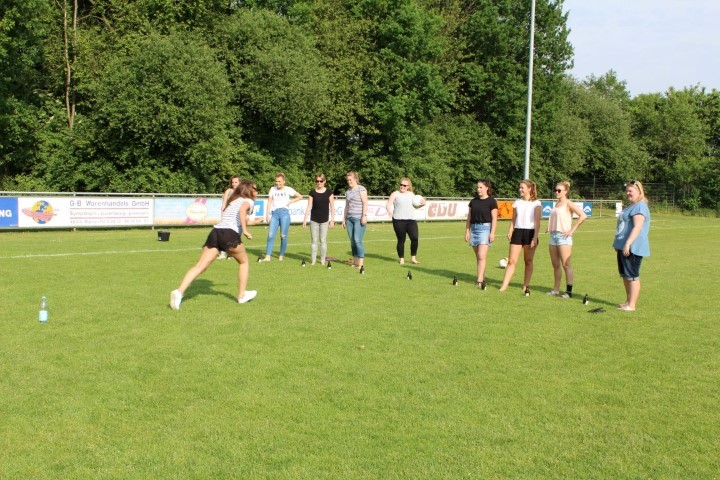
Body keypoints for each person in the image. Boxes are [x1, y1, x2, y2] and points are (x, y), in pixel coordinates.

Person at [170, 180, 260, 309]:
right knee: (244, 262)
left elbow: (237, 219)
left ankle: (179, 292)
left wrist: (253, 223)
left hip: (216, 232)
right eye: (255, 189)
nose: (257, 192)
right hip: (229, 234)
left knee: (200, 266)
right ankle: (241, 296)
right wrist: (245, 230)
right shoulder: (248, 201)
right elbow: (241, 212)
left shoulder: (234, 201)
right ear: (248, 191)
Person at [499, 179, 542, 294]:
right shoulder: (517, 202)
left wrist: (534, 238)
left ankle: (525, 285)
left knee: (528, 260)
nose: (520, 189)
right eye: (520, 187)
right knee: (511, 261)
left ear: (529, 189)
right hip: (517, 232)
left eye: (522, 187)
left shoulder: (537, 203)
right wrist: (510, 230)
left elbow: (537, 222)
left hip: (530, 233)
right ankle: (504, 286)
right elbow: (513, 219)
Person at [613, 180, 651, 311]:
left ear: (639, 191)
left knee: (632, 276)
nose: (628, 193)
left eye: (631, 191)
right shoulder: (631, 205)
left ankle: (631, 305)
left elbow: (637, 227)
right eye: (627, 191)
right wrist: (618, 243)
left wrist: (628, 244)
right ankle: (628, 301)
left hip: (633, 247)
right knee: (625, 275)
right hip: (623, 246)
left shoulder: (640, 206)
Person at [547, 181, 587, 298]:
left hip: (563, 237)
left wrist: (572, 230)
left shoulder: (568, 203)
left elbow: (583, 215)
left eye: (559, 190)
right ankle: (556, 290)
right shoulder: (556, 203)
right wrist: (550, 226)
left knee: (566, 264)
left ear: (565, 191)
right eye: (555, 190)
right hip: (553, 236)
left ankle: (568, 292)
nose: (556, 192)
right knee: (555, 264)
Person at [464, 179, 498, 289]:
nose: (478, 189)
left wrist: (492, 233)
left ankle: (479, 280)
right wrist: (467, 231)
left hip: (485, 229)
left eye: (481, 187)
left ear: (487, 188)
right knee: (478, 257)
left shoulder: (492, 201)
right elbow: (469, 218)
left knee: (481, 255)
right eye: (477, 187)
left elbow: (494, 218)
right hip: (474, 229)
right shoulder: (473, 202)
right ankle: (482, 277)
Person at [263, 172, 302, 262]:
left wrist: (290, 201)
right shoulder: (272, 189)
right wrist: (267, 214)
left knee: (283, 236)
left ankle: (281, 255)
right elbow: (269, 202)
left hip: (284, 214)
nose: (278, 183)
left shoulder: (288, 189)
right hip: (275, 214)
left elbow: (300, 196)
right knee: (270, 235)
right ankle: (268, 256)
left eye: (279, 181)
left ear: (284, 181)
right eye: (276, 181)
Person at [386, 177, 424, 265]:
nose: (402, 186)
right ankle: (401, 259)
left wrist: (422, 204)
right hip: (398, 220)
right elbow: (388, 204)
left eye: (404, 185)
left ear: (408, 186)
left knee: (415, 238)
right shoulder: (395, 194)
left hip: (411, 220)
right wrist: (389, 211)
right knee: (401, 240)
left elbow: (416, 206)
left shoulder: (411, 195)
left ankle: (413, 258)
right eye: (401, 184)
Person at [302, 173, 335, 265]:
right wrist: (305, 220)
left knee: (323, 241)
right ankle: (313, 260)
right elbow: (309, 206)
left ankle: (323, 260)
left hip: (325, 220)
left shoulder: (329, 192)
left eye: (321, 181)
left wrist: (332, 220)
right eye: (317, 181)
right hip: (314, 220)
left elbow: (332, 207)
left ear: (324, 181)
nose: (319, 183)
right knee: (314, 241)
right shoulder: (312, 192)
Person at [341, 171, 368, 269]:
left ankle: (361, 263)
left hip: (358, 219)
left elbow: (365, 203)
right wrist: (344, 219)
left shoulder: (361, 189)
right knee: (352, 241)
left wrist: (364, 216)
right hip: (349, 219)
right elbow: (347, 206)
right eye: (348, 180)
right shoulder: (348, 191)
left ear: (355, 179)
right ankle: (355, 262)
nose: (349, 182)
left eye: (350, 180)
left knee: (357, 240)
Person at [218, 175, 241, 259]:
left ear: (240, 183)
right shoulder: (228, 191)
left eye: (236, 182)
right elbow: (224, 204)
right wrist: (222, 216)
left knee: (235, 237)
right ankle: (222, 253)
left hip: (237, 217)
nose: (234, 184)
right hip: (228, 217)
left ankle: (231, 254)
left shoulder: (243, 192)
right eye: (232, 182)